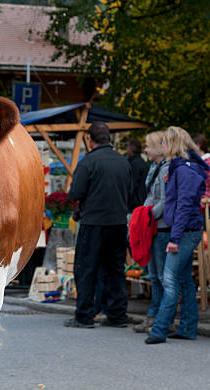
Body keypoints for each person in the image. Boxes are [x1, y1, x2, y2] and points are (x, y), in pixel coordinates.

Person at [64, 122, 132, 329]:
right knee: (115, 269)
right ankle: (117, 315)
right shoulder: (123, 162)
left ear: (90, 140)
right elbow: (129, 190)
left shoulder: (88, 162)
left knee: (86, 269)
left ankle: (84, 315)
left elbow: (75, 193)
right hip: (118, 223)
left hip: (94, 223)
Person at [145, 127, 209, 344]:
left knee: (170, 280)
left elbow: (183, 206)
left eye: (164, 142)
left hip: (184, 232)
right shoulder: (183, 167)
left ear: (172, 144)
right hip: (187, 230)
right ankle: (187, 328)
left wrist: (174, 238)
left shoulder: (183, 170)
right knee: (183, 281)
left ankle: (159, 329)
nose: (162, 146)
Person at [133, 131, 170, 333]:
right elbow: (150, 196)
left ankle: (162, 318)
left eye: (148, 146)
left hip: (161, 227)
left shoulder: (165, 169)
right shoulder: (154, 167)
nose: (145, 149)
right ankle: (153, 316)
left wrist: (147, 217)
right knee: (154, 276)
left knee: (162, 277)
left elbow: (164, 201)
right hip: (153, 225)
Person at [127, 139, 149, 212]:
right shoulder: (142, 162)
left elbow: (132, 185)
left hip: (135, 204)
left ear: (131, 149)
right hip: (142, 200)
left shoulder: (134, 164)